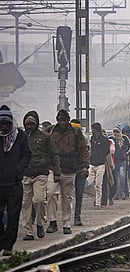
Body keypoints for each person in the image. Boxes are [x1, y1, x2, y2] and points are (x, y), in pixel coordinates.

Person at [47, 109, 89, 234]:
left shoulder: (76, 133)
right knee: (51, 194)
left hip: (69, 169)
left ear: (68, 120)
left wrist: (85, 166)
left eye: (64, 120)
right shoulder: (50, 131)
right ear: (57, 120)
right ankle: (52, 222)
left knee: (67, 198)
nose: (62, 122)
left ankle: (66, 224)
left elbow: (83, 149)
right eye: (60, 120)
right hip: (54, 169)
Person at [21, 111, 60, 241]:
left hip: (41, 173)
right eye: (27, 124)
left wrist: (57, 171)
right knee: (26, 203)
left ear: (36, 123)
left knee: (39, 200)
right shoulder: (21, 138)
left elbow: (54, 154)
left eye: (32, 124)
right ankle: (28, 231)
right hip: (26, 174)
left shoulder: (45, 137)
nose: (29, 126)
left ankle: (39, 223)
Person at [0, 105, 31, 256]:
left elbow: (26, 155)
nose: (4, 126)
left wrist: (18, 171)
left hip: (14, 184)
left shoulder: (20, 136)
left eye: (7, 123)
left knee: (13, 216)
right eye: (2, 123)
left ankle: (8, 245)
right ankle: (2, 239)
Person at [70, 119, 89, 226]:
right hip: (68, 169)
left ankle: (77, 216)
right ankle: (68, 218)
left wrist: (85, 166)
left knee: (79, 194)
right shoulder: (65, 138)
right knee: (67, 195)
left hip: (80, 168)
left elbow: (85, 152)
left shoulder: (83, 138)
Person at [87, 122, 110, 208]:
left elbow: (107, 151)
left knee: (99, 184)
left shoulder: (104, 140)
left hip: (101, 164)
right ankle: (96, 198)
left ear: (96, 130)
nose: (91, 130)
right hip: (92, 163)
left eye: (92, 129)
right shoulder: (92, 139)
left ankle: (98, 202)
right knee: (89, 182)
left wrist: (101, 156)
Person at [109, 126, 130, 201]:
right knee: (116, 177)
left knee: (122, 177)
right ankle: (117, 193)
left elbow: (129, 147)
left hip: (123, 160)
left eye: (117, 132)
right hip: (115, 161)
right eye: (114, 132)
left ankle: (122, 192)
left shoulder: (124, 138)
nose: (116, 134)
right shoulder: (111, 138)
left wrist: (125, 154)